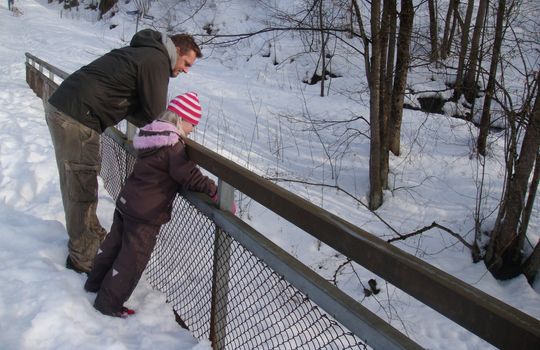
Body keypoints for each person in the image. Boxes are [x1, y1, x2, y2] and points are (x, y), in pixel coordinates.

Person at [45, 29, 202, 274]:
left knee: (83, 180)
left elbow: (139, 112)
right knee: (80, 185)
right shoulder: (156, 61)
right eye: (186, 63)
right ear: (177, 51)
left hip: (73, 111)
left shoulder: (146, 53)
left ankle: (94, 237)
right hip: (76, 116)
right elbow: (156, 117)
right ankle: (83, 259)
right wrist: (176, 136)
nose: (186, 70)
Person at [84, 92, 219, 318]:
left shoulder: (152, 134)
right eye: (193, 123)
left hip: (127, 201)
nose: (193, 129)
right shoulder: (173, 146)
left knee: (113, 246)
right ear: (181, 119)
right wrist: (213, 191)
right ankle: (107, 305)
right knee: (131, 260)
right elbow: (187, 175)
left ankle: (94, 284)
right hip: (145, 214)